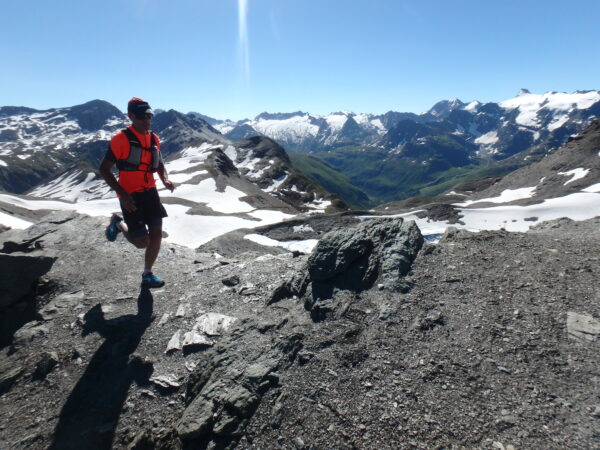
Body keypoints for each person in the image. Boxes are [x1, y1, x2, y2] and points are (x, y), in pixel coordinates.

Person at [99, 97, 175, 288]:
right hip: (130, 195)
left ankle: (147, 274)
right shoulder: (120, 139)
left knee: (156, 234)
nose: (147, 120)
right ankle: (118, 224)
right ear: (131, 116)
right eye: (142, 117)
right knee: (141, 242)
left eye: (150, 116)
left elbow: (159, 163)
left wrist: (164, 178)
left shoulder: (153, 138)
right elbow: (104, 169)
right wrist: (122, 195)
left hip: (150, 192)